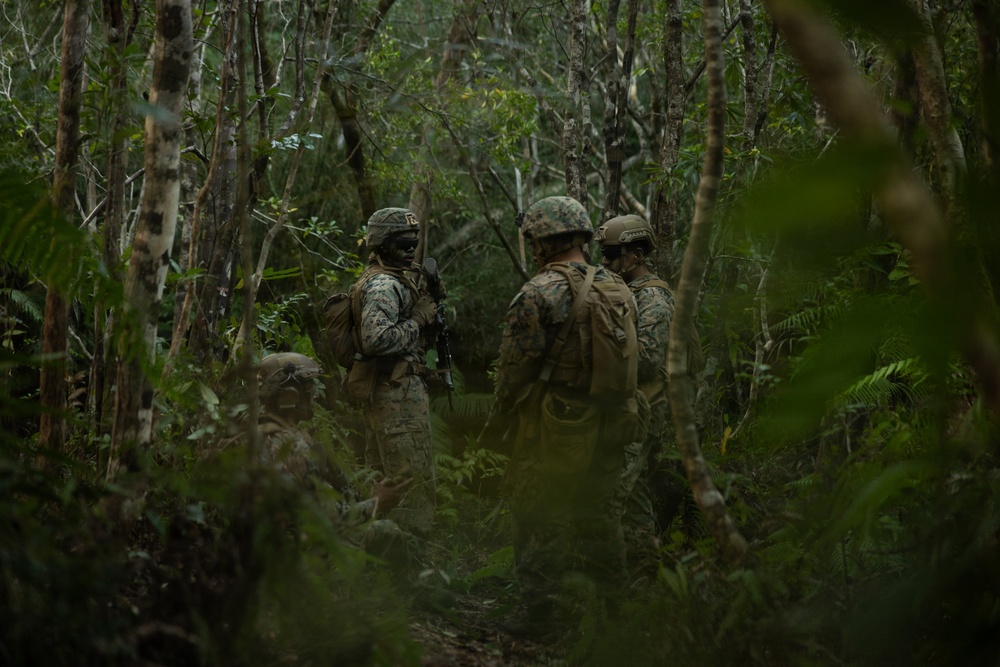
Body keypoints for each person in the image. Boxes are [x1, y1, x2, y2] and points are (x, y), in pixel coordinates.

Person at [495, 196, 641, 638]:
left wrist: (505, 410)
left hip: (557, 421)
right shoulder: (618, 288)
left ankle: (541, 614)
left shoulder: (538, 292)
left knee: (540, 507)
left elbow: (515, 367)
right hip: (614, 418)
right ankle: (613, 616)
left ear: (542, 241)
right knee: (600, 514)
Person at [346, 208, 437, 542]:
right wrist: (420, 320)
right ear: (383, 245)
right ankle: (411, 563)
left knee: (386, 478)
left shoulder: (393, 277)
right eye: (402, 243)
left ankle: (382, 558)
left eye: (414, 242)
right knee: (409, 482)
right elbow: (376, 339)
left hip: (392, 394)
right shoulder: (384, 284)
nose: (411, 249)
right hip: (396, 398)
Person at [257, 352, 412, 537]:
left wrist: (370, 495)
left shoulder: (260, 432)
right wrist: (377, 502)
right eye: (309, 388)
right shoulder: (290, 447)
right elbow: (326, 519)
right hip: (296, 548)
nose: (315, 395)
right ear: (290, 397)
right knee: (389, 532)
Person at [594, 215, 674, 563]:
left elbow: (649, 362)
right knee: (634, 492)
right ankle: (645, 564)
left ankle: (611, 583)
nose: (606, 261)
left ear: (636, 255)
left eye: (612, 253)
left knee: (610, 496)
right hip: (631, 410)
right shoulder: (631, 293)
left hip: (644, 412)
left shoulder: (654, 298)